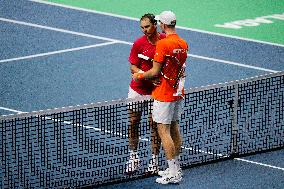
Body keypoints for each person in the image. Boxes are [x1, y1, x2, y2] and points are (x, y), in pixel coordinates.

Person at [132, 11, 188, 184]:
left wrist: (139, 76)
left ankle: (173, 173)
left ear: (162, 25)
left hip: (164, 94)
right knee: (174, 128)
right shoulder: (183, 43)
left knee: (163, 131)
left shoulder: (163, 44)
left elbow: (155, 71)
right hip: (178, 92)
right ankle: (176, 168)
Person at [125, 13, 166, 175]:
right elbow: (132, 67)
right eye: (142, 27)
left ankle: (154, 161)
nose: (144, 30)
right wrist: (146, 76)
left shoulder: (164, 41)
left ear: (155, 24)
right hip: (137, 90)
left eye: (147, 26)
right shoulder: (138, 44)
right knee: (133, 123)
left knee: (154, 126)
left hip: (156, 92)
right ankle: (133, 157)